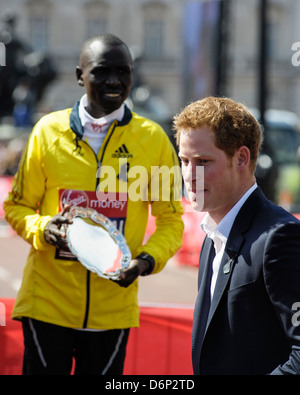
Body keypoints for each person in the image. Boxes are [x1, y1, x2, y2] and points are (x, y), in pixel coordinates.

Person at [4, 34, 184, 375]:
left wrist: (146, 261)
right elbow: (17, 206)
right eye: (102, 71)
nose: (114, 81)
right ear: (79, 75)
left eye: (123, 71)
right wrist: (43, 228)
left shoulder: (153, 140)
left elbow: (172, 220)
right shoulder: (47, 131)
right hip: (47, 306)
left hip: (112, 311)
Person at [173, 96, 300, 375]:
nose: (189, 175)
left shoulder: (280, 237)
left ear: (241, 158)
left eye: (203, 161)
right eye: (184, 160)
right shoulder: (213, 235)